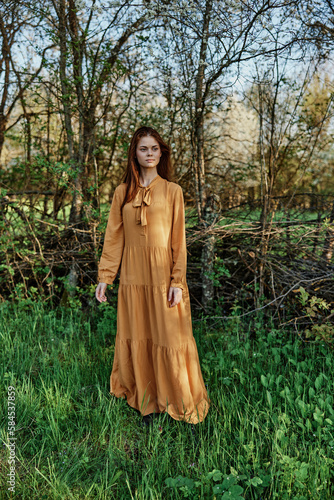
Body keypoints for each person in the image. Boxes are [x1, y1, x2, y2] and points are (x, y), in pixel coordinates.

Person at [95, 126, 210, 425]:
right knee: (140, 335)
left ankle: (183, 405)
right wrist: (105, 277)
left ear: (162, 153)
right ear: (135, 152)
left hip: (163, 278)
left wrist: (177, 281)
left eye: (154, 149)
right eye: (143, 149)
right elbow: (114, 238)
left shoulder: (173, 192)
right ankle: (147, 403)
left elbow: (178, 243)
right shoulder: (123, 193)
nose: (149, 154)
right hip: (133, 279)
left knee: (171, 338)